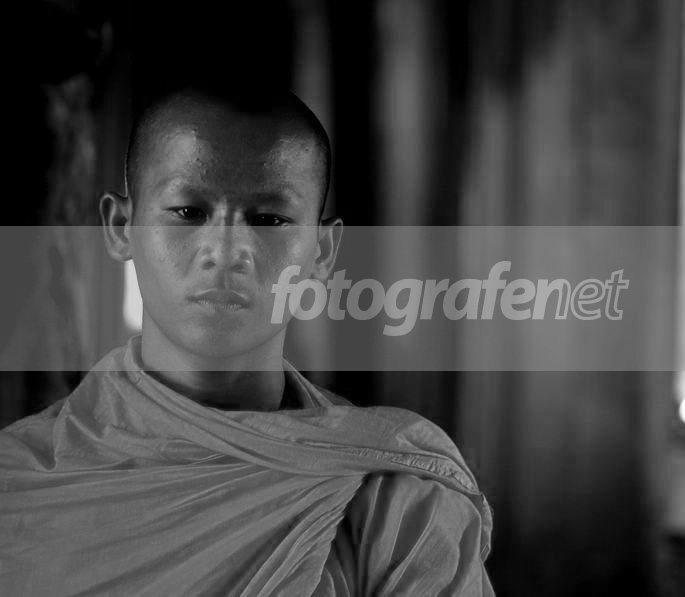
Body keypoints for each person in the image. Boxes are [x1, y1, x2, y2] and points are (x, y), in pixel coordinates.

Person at [0, 84, 494, 596]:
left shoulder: (395, 502)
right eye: (188, 212)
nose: (226, 249)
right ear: (122, 227)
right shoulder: (20, 485)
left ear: (323, 251)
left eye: (268, 219)